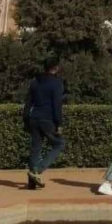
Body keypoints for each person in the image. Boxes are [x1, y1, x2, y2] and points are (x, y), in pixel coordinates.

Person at [24, 56, 65, 190]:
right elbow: (57, 105)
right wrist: (59, 123)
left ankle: (32, 182)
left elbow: (28, 103)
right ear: (56, 68)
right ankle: (37, 171)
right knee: (59, 144)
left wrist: (26, 119)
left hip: (33, 117)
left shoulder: (35, 82)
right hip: (47, 119)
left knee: (36, 147)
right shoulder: (56, 83)